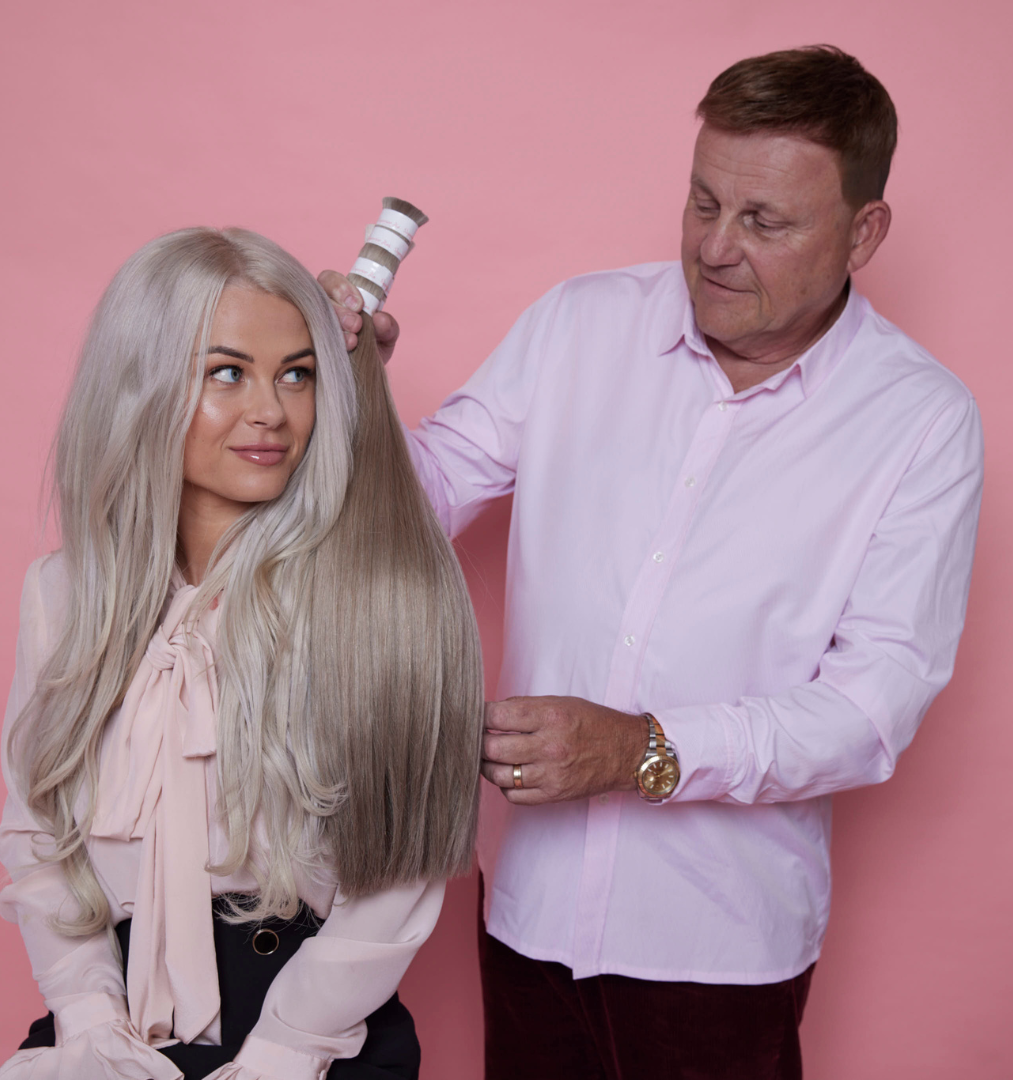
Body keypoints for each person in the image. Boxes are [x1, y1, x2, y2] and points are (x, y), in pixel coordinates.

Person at [322, 46, 985, 1080]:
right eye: (702, 202)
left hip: (720, 947)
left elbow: (870, 711)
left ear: (865, 232)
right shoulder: (580, 322)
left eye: (764, 221)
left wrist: (642, 750)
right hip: (527, 910)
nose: (717, 247)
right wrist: (336, 398)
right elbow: (422, 501)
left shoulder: (921, 422)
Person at [0, 227, 484, 1080]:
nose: (273, 411)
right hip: (115, 1012)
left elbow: (400, 871)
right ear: (140, 385)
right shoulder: (64, 593)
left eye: (297, 373)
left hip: (314, 1023)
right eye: (229, 373)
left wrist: (284, 1051)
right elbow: (39, 831)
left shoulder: (375, 595)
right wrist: (85, 1015)